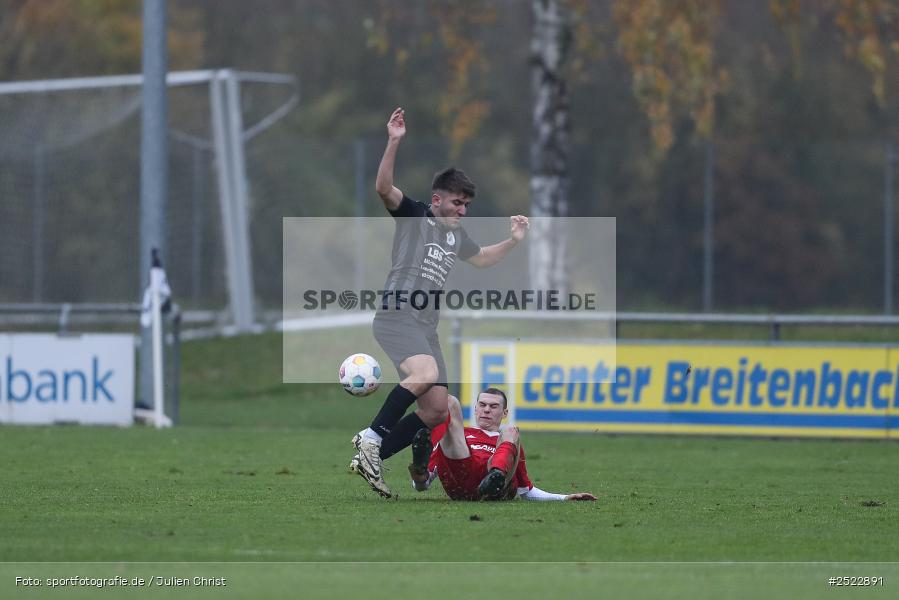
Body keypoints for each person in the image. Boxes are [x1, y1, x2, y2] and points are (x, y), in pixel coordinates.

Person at [350, 107, 530, 498]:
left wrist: (513, 241)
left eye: (467, 205)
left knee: (437, 407)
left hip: (425, 326)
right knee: (426, 372)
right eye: (457, 203)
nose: (463, 211)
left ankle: (372, 453)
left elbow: (482, 259)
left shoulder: (456, 235)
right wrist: (394, 141)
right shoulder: (415, 214)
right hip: (398, 313)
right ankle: (370, 437)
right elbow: (383, 188)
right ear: (437, 199)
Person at [408, 389, 597, 502]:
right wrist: (419, 479)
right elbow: (422, 487)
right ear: (475, 409)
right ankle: (419, 464)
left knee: (512, 430)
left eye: (493, 406)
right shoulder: (461, 434)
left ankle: (494, 478)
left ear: (504, 412)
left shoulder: (508, 438)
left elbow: (527, 492)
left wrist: (564, 497)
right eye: (482, 405)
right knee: (449, 402)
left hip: (496, 487)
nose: (486, 410)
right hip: (461, 478)